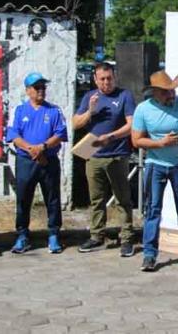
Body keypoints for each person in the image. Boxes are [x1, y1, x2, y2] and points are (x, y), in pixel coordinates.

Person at [131, 70, 178, 272]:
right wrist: (161, 143)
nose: (171, 95)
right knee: (152, 209)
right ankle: (149, 254)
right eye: (165, 92)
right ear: (154, 92)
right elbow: (136, 140)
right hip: (156, 164)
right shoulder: (143, 110)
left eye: (172, 91)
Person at [72, 62, 138, 257]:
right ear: (95, 79)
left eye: (109, 78)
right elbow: (75, 124)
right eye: (102, 79)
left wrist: (112, 137)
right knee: (96, 199)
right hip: (93, 157)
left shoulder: (124, 96)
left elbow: (131, 125)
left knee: (122, 199)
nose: (106, 82)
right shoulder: (89, 97)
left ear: (114, 77)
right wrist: (90, 111)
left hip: (117, 155)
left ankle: (126, 238)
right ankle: (96, 235)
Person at [6, 72, 68, 254]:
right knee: (23, 199)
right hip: (26, 161)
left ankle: (54, 234)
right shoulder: (19, 110)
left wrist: (43, 147)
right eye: (37, 87)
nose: (41, 90)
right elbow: (13, 135)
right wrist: (31, 149)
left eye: (43, 87)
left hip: (48, 160)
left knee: (52, 198)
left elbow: (60, 134)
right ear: (28, 90)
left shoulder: (54, 110)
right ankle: (23, 235)